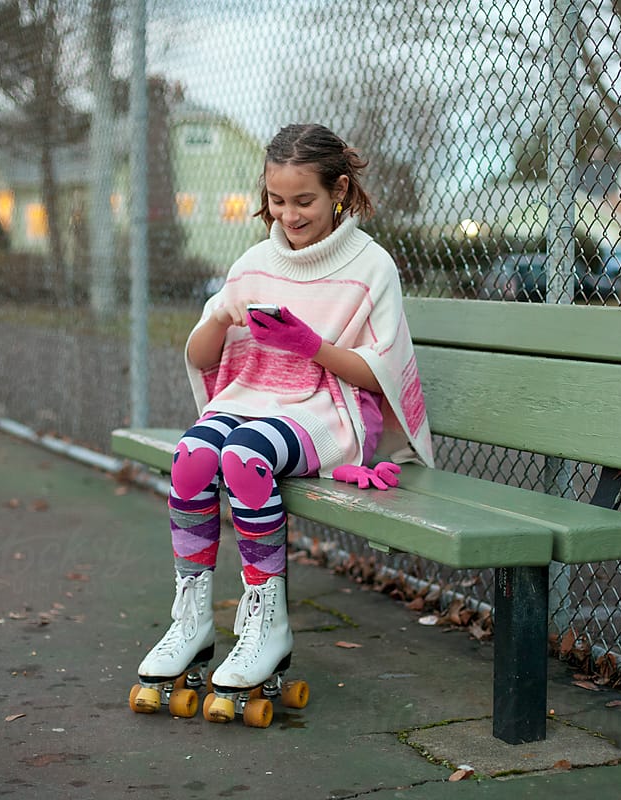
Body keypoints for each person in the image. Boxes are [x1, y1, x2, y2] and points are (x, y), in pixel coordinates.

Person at [136, 123, 435, 720]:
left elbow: (382, 378)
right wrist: (221, 317)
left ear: (339, 191)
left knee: (245, 457)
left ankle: (267, 623)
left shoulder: (371, 266)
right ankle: (191, 619)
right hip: (251, 400)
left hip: (328, 412)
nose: (289, 215)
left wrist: (310, 345)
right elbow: (201, 360)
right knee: (195, 457)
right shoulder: (253, 263)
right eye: (277, 200)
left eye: (305, 201)